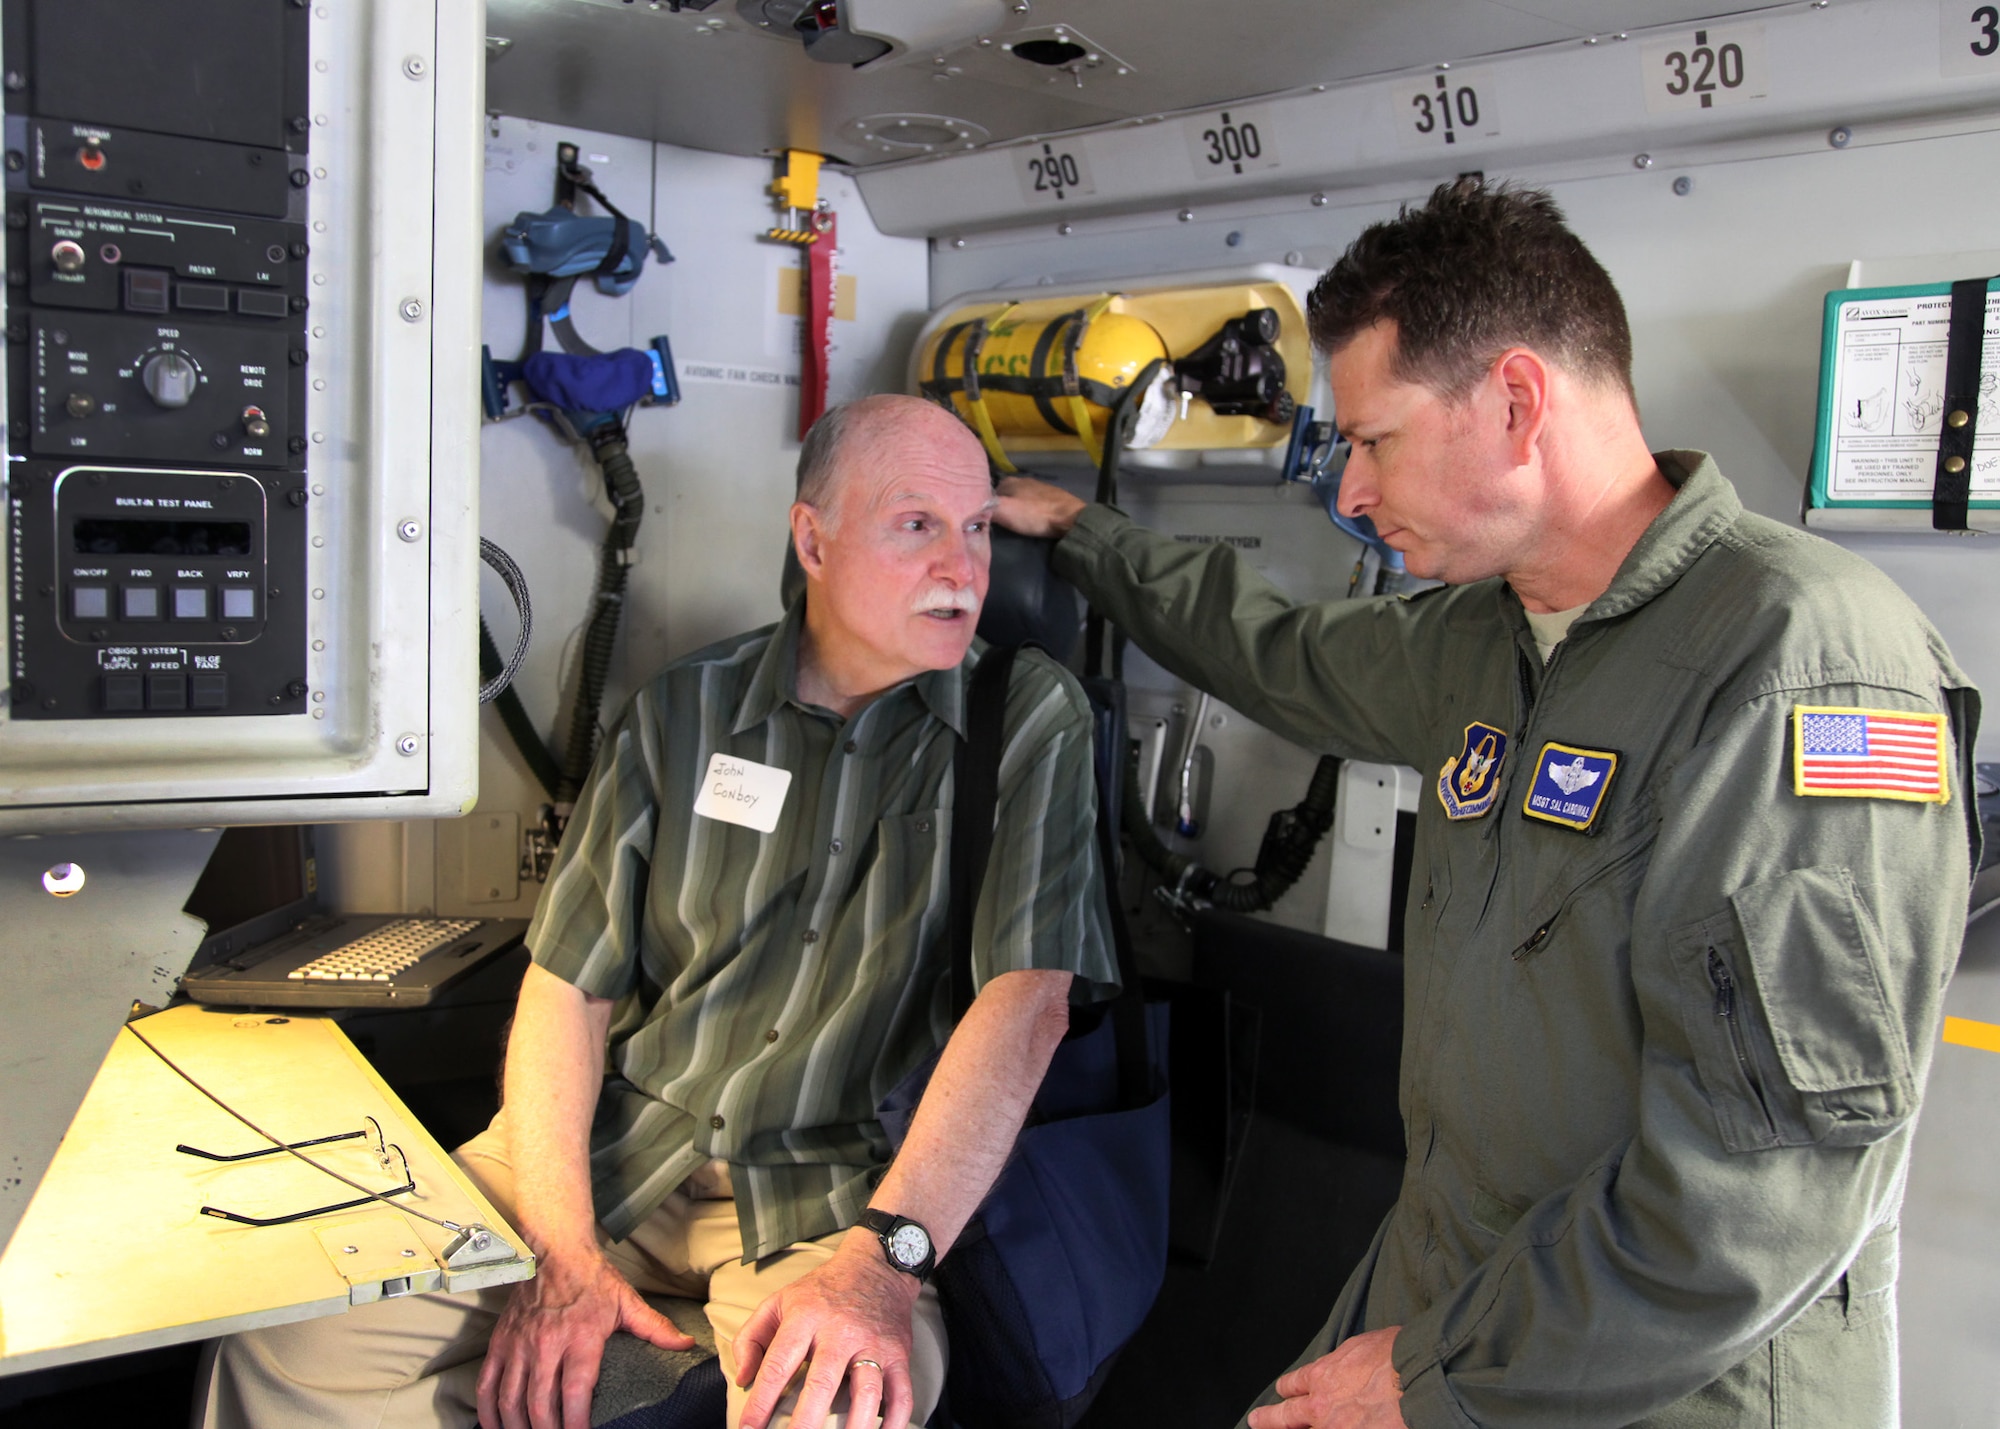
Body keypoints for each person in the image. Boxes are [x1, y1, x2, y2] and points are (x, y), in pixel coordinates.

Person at [995, 180, 1980, 1428]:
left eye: (1373, 440)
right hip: (1460, 1293)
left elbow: (1754, 1200)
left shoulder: (1798, 663)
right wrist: (1084, 536)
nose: (1351, 491)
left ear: (1515, 402)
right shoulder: (1480, 638)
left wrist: (1432, 1378)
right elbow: (1274, 650)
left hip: (1665, 1380)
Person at [195, 393, 1119, 1429]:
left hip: (835, 1200)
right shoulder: (683, 709)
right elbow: (566, 985)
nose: (963, 567)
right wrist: (561, 1252)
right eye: (917, 524)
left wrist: (884, 1260)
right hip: (612, 1151)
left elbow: (1025, 1005)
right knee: (291, 1335)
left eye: (978, 527)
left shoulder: (1027, 717)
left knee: (834, 1408)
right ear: (813, 541)